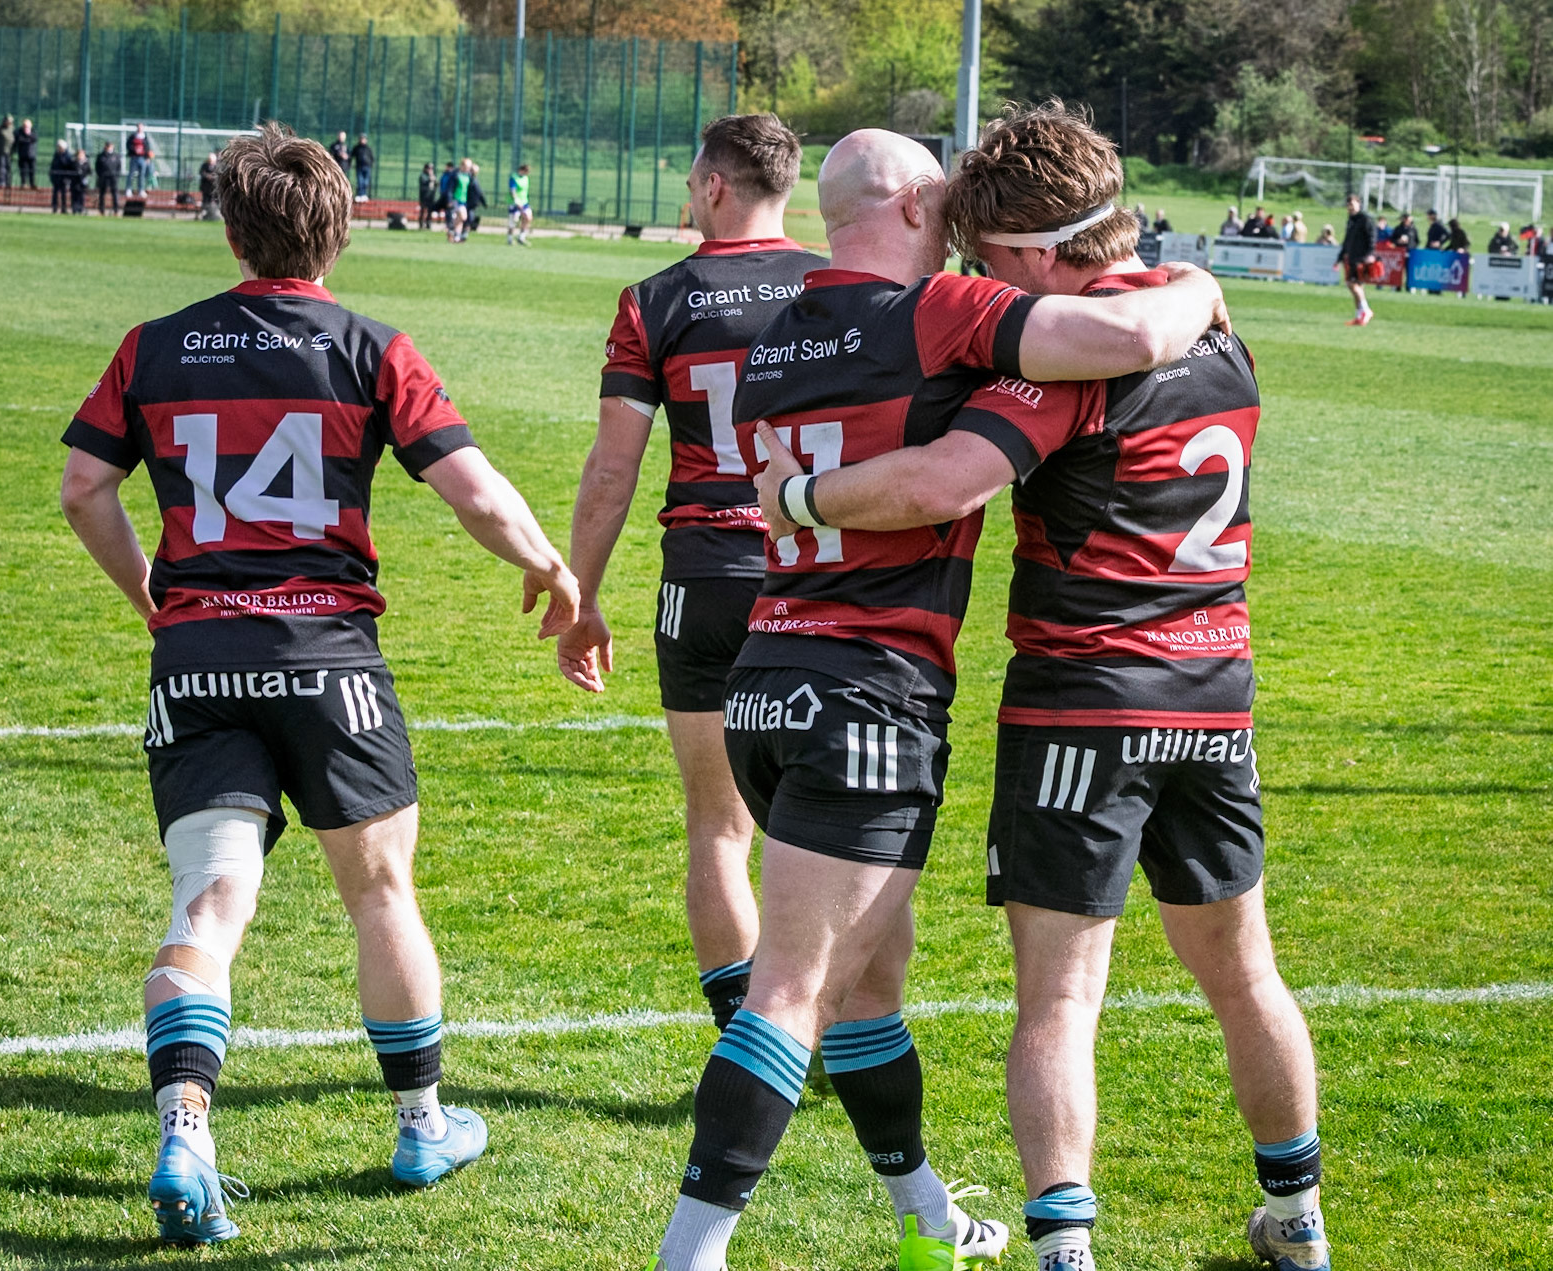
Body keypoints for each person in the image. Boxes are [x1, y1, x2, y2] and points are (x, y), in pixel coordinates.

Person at [751, 99, 1330, 1271]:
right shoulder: (1212, 323)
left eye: (984, 257)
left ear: (1029, 255)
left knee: (1061, 998)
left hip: (1086, 701)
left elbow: (943, 483)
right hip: (1217, 696)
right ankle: (1298, 1219)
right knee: (1246, 971)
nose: (973, 272)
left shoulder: (1058, 361)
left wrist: (798, 499)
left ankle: (1064, 1247)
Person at [645, 125, 1229, 1271]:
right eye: (951, 212)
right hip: (870, 689)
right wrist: (1198, 276)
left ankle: (926, 1211)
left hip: (765, 677)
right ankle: (690, 1251)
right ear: (915, 208)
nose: (965, 235)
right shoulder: (942, 310)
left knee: (870, 976)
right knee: (797, 986)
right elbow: (1129, 332)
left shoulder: (774, 333)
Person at [58, 123, 580, 1247]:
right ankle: (422, 1123)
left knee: (208, 901)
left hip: (195, 659)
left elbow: (82, 488)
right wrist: (553, 569)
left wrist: (155, 592)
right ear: (336, 230)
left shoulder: (151, 348)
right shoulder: (369, 346)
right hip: (326, 661)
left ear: (229, 225)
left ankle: (188, 1127)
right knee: (381, 893)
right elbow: (480, 496)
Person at [559, 114, 826, 1047]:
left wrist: (582, 594)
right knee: (832, 828)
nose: (685, 195)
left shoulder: (656, 299)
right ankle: (843, 1034)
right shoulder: (840, 289)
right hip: (814, 570)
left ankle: (746, 1043)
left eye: (688, 181)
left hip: (706, 576)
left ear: (716, 185)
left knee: (721, 825)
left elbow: (611, 469)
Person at [1335, 192, 1376, 326]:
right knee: (1357, 286)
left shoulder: (1365, 219)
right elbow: (1347, 240)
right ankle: (1360, 316)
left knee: (1352, 284)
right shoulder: (1351, 220)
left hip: (1362, 257)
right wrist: (1340, 257)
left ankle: (1365, 310)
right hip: (1352, 256)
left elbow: (1372, 237)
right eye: (1348, 205)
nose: (1350, 207)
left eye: (1352, 204)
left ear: (1359, 204)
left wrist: (1370, 254)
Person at [507, 162, 533, 245]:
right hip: (514, 203)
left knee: (528, 217)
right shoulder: (514, 178)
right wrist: (516, 200)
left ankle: (521, 237)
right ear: (522, 170)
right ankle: (510, 239)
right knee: (513, 221)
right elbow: (512, 190)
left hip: (524, 202)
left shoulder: (526, 178)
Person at [49, 139, 76, 214]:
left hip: (64, 178)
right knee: (55, 193)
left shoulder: (68, 156)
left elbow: (68, 166)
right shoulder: (56, 155)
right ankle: (54, 207)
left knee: (63, 194)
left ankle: (64, 208)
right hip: (56, 177)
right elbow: (53, 165)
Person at [96, 141, 122, 215]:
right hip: (104, 177)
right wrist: (100, 175)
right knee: (102, 194)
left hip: (113, 177)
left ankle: (116, 210)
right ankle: (101, 210)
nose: (108, 148)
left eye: (110, 146)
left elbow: (119, 167)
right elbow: (97, 167)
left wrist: (116, 175)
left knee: (114, 194)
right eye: (107, 146)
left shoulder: (116, 156)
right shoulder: (101, 156)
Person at [14, 117, 38, 188]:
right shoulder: (19, 132)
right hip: (23, 155)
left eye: (27, 126)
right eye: (25, 126)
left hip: (31, 155)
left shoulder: (33, 132)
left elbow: (34, 138)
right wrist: (28, 139)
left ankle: (32, 183)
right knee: (23, 171)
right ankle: (23, 183)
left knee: (32, 170)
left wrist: (28, 135)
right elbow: (20, 139)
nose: (26, 128)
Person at [126, 124, 150, 196]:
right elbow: (128, 145)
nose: (140, 129)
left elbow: (147, 148)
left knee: (142, 175)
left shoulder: (145, 137)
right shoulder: (132, 136)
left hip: (142, 158)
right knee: (131, 174)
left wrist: (147, 157)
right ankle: (128, 189)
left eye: (141, 127)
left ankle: (141, 190)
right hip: (134, 157)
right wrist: (134, 149)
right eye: (138, 127)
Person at [0, 115, 14, 187]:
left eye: (10, 122)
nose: (8, 123)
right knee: (2, 166)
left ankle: (8, 181)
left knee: (8, 167)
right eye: (7, 121)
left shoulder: (13, 129)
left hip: (9, 152)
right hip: (0, 151)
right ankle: (2, 181)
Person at [198, 152, 220, 220]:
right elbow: (202, 173)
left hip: (214, 188)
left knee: (215, 199)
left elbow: (218, 175)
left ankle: (215, 213)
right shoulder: (204, 165)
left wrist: (213, 177)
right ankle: (203, 213)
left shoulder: (217, 166)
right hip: (205, 188)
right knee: (205, 200)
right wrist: (207, 176)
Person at [352, 133, 374, 201]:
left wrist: (370, 164)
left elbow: (372, 158)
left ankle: (364, 194)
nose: (362, 140)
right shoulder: (356, 148)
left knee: (365, 182)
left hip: (367, 167)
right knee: (360, 181)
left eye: (364, 139)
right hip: (359, 167)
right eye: (361, 138)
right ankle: (359, 195)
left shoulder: (368, 148)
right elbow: (351, 156)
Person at [71, 147, 92, 215]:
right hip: (75, 182)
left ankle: (81, 209)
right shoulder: (74, 162)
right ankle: (75, 209)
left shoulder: (87, 163)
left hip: (82, 183)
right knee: (74, 197)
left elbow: (90, 172)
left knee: (81, 196)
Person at [418, 162, 437, 229]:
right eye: (429, 168)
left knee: (430, 211)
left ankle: (428, 224)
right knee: (423, 210)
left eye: (431, 168)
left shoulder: (433, 176)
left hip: (431, 197)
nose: (430, 170)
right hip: (424, 196)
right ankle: (421, 224)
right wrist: (430, 178)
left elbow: (435, 185)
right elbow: (424, 182)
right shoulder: (423, 176)